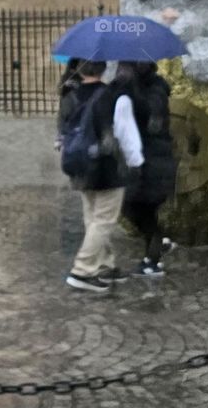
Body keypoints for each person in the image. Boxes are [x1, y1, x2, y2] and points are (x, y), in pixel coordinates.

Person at [61, 59, 143, 293]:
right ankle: (83, 270)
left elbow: (65, 128)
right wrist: (136, 162)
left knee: (93, 217)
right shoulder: (114, 96)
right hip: (106, 167)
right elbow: (126, 133)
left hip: (80, 163)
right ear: (104, 69)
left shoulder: (71, 94)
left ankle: (105, 264)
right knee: (104, 220)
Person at [117, 61, 177, 276]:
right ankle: (159, 244)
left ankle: (153, 261)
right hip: (138, 160)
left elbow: (151, 118)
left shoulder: (158, 88)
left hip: (154, 161)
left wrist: (130, 89)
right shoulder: (128, 86)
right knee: (130, 207)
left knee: (145, 211)